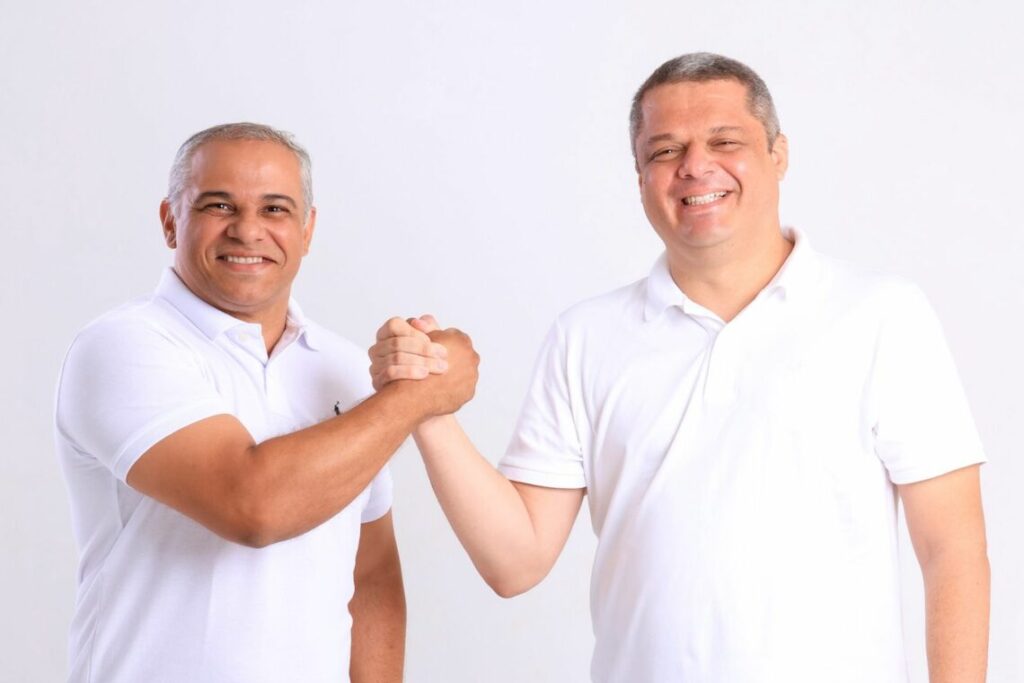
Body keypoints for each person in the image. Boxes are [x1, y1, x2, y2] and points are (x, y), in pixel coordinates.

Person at [369, 53, 989, 682]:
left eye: (725, 141)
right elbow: (516, 562)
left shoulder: (881, 315)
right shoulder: (585, 337)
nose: (695, 166)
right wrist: (425, 409)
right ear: (640, 177)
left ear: (778, 155)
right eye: (665, 151)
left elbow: (952, 550)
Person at [54, 122, 479, 683]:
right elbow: (252, 506)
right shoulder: (123, 345)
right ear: (169, 220)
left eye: (275, 209)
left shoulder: (346, 367)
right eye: (218, 205)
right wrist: (419, 394)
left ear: (308, 229)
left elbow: (369, 573)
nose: (247, 230)